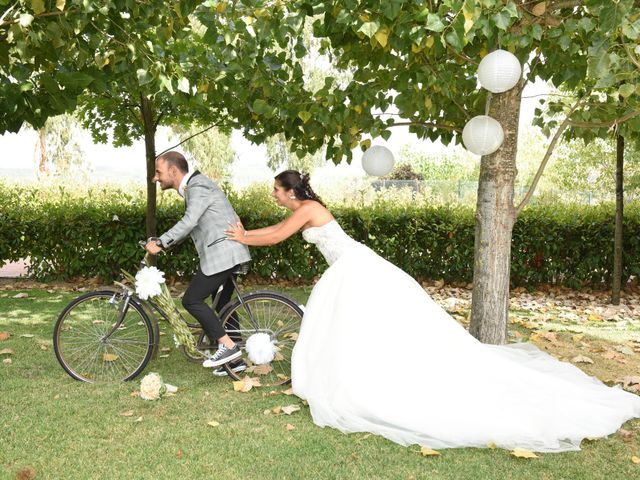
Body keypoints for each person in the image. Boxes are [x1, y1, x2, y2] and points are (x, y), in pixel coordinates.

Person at [225, 169, 640, 452]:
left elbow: (277, 236)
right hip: (351, 268)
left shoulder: (308, 211)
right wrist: (246, 233)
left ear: (292, 192)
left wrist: (244, 234)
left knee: (361, 327)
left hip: (356, 270)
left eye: (277, 190)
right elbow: (277, 230)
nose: (274, 195)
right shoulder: (304, 209)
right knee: (355, 328)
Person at [145, 151, 250, 372]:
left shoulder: (197, 187)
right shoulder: (196, 186)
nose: (155, 178)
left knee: (191, 300)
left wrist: (162, 242)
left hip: (224, 254)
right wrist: (163, 241)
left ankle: (228, 347)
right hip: (227, 252)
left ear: (173, 171)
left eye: (158, 172)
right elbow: (193, 224)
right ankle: (235, 361)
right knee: (222, 305)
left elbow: (190, 221)